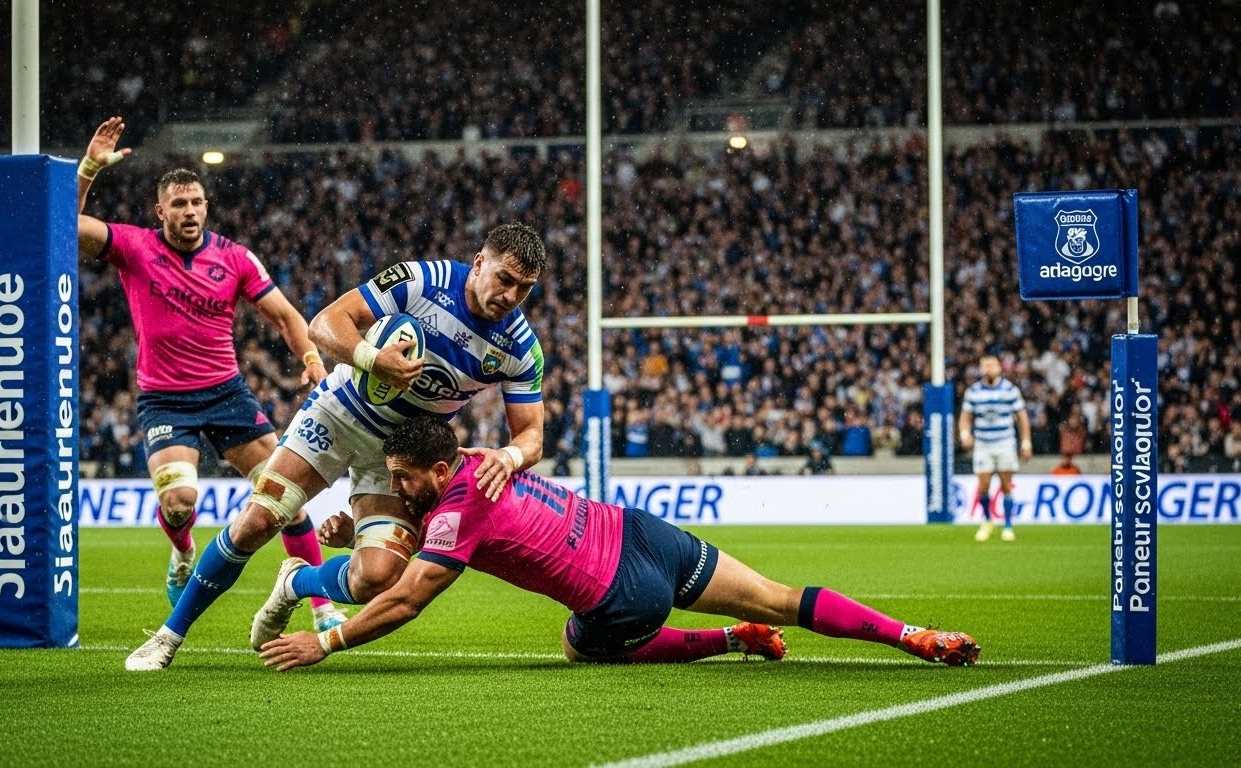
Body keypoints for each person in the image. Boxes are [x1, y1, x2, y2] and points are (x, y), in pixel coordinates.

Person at [125, 221, 548, 671]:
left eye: (524, 289)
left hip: (399, 451)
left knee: (377, 578)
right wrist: (372, 359)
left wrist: (509, 455)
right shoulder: (423, 281)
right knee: (257, 522)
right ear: (480, 263)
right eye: (505, 279)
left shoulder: (521, 349)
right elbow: (325, 323)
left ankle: (296, 582)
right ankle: (169, 636)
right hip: (338, 413)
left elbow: (532, 436)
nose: (510, 295)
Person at [254, 415, 980, 671]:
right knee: (786, 598)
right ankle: (909, 635)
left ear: (437, 471)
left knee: (578, 647)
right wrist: (370, 529)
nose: (398, 489)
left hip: (620, 595)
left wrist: (333, 640)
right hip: (643, 534)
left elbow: (408, 596)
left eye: (404, 479)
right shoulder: (477, 461)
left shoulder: (452, 511)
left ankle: (725, 641)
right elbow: (430, 526)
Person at [76, 116, 337, 627]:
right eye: (179, 204)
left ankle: (322, 606)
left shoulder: (235, 258)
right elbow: (61, 221)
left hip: (228, 395)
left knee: (285, 497)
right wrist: (88, 169)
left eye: (196, 202)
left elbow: (286, 315)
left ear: (206, 208)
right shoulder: (134, 246)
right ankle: (181, 551)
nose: (190, 211)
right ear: (161, 211)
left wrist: (311, 359)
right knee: (179, 502)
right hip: (165, 400)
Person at [959, 354, 1032, 542]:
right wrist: (965, 434)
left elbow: (1022, 417)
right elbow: (966, 416)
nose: (988, 369)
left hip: (1005, 442)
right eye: (984, 365)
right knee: (983, 485)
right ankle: (988, 520)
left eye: (991, 365)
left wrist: (1025, 442)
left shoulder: (1010, 390)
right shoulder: (973, 391)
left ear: (1000, 368)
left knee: (1006, 484)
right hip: (983, 443)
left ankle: (1008, 525)